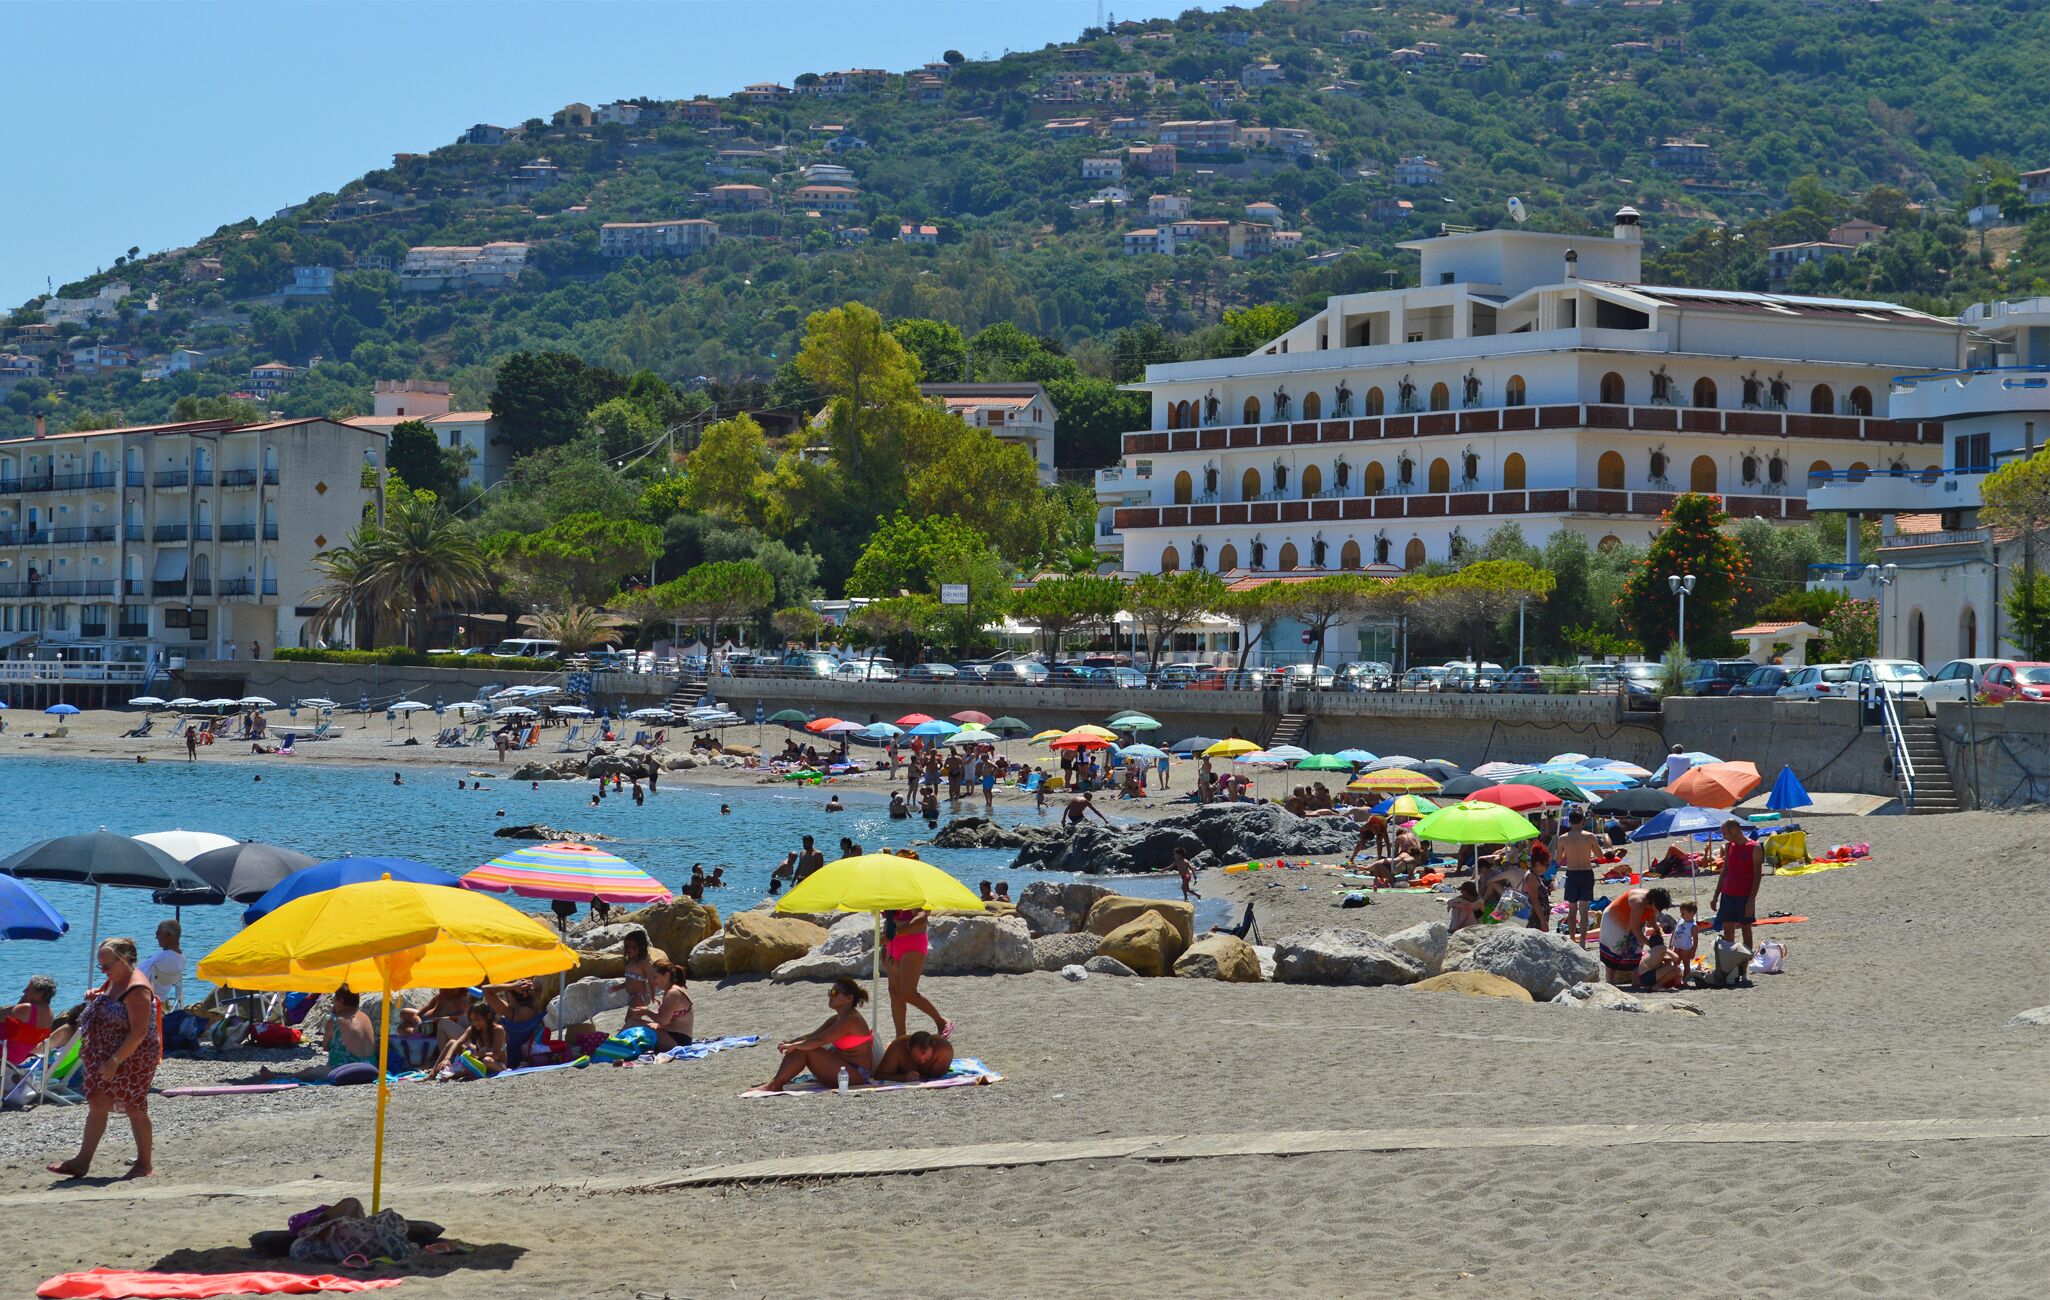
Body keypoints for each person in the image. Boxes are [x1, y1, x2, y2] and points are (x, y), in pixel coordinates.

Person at [47, 938, 161, 1179]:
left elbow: (139, 1032)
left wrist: (114, 1061)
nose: (104, 970)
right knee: (98, 1101)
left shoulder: (137, 988)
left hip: (132, 1055)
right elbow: (110, 1000)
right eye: (101, 966)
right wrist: (97, 994)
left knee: (134, 1107)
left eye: (107, 965)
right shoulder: (114, 979)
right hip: (108, 1051)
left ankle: (144, 1164)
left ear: (125, 959)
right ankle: (82, 1161)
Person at [756, 978, 874, 1093]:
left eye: (834, 992)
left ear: (849, 998)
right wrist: (791, 1043)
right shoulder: (837, 1019)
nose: (830, 995)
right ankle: (775, 1083)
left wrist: (795, 1045)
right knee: (802, 1046)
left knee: (805, 1048)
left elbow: (819, 1040)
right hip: (844, 1068)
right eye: (830, 992)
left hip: (857, 1075)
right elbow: (812, 1036)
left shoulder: (851, 1020)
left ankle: (774, 1085)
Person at [261, 986, 379, 1082]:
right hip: (371, 1067)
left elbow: (325, 1047)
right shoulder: (365, 1017)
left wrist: (333, 1017)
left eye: (334, 1000)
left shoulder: (335, 1020)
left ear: (341, 1000)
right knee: (313, 1070)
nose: (333, 1003)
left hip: (346, 1069)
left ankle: (277, 1078)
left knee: (310, 1071)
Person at [884, 906, 952, 1040]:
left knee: (908, 993)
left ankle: (941, 1021)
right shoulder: (889, 893)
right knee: (895, 993)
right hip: (892, 945)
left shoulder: (911, 892)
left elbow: (921, 919)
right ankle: (901, 1038)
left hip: (912, 943)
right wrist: (884, 946)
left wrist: (895, 933)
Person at [1598, 887, 1672, 986]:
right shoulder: (1639, 902)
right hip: (1615, 917)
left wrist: (1656, 928)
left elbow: (1651, 915)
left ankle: (1636, 980)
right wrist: (1651, 944)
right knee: (1615, 948)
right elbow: (1635, 928)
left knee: (1637, 948)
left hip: (1634, 919)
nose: (1659, 910)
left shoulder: (1652, 901)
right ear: (1653, 902)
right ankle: (1610, 981)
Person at [1551, 812, 1602, 945]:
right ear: (1582, 821)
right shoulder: (1589, 836)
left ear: (1569, 822)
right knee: (1584, 909)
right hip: (1586, 872)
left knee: (1572, 909)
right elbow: (1600, 856)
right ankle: (1583, 941)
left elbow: (1558, 860)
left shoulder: (1562, 838)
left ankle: (1573, 939)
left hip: (1572, 873)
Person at [1714, 819, 1761, 951]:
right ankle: (1730, 962)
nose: (1723, 836)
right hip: (1727, 894)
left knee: (1746, 928)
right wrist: (1716, 895)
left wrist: (1751, 900)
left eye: (1725, 833)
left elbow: (1757, 876)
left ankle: (1744, 964)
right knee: (1728, 930)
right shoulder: (1729, 847)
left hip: (1744, 895)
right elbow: (1724, 871)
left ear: (1734, 830)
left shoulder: (1754, 848)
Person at [479, 979, 548, 1068]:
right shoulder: (534, 1006)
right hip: (535, 1055)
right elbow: (539, 985)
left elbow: (485, 989)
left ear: (510, 995)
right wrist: (527, 985)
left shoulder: (510, 1013)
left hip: (513, 1060)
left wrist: (512, 986)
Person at [626, 961, 694, 1049]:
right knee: (635, 1023)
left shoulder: (673, 993)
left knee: (633, 1023)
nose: (652, 981)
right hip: (677, 1037)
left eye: (655, 977)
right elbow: (668, 1016)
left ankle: (612, 1045)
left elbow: (662, 1021)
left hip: (677, 1040)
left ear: (667, 975)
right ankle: (616, 1045)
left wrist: (647, 1011)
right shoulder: (673, 990)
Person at [433, 1002, 508, 1079]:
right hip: (478, 1062)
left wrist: (476, 1054)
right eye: (472, 1020)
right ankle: (432, 1074)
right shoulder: (473, 1029)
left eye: (477, 1019)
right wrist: (446, 1059)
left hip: (497, 1065)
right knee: (451, 1042)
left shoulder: (498, 1030)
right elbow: (457, 1043)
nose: (474, 1023)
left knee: (486, 1060)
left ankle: (454, 1075)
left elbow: (496, 1055)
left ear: (488, 1016)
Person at [2, 975, 56, 1072]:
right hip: (21, 1057)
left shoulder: (25, 1008)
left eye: (28, 989)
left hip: (5, 1053)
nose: (24, 991)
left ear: (40, 994)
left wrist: (21, 1002)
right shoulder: (50, 1013)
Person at [874, 1030, 955, 1083]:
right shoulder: (898, 1048)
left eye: (927, 1059)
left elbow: (938, 1074)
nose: (922, 1062)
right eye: (916, 1059)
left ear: (933, 1048)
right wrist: (902, 1077)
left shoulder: (943, 1050)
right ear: (908, 1048)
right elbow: (878, 1075)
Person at [140, 920, 183, 1006]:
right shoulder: (181, 959)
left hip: (143, 999)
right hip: (161, 1000)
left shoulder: (161, 959)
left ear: (168, 935)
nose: (156, 937)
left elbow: (138, 976)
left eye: (158, 933)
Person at [617, 932, 655, 1014]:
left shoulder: (644, 961)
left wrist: (653, 995)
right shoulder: (631, 961)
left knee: (631, 1021)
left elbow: (651, 979)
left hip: (640, 996)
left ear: (641, 946)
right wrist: (617, 987)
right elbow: (629, 980)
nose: (629, 949)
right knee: (631, 1020)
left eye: (633, 947)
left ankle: (655, 1026)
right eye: (627, 947)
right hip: (632, 997)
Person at [1672, 900, 1701, 970]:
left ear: (1692, 913)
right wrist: (1671, 944)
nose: (1681, 915)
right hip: (1676, 946)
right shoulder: (1680, 920)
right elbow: (1674, 932)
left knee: (1686, 964)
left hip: (1686, 948)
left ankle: (1686, 978)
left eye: (1683, 913)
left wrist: (1693, 951)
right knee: (1675, 963)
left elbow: (1695, 940)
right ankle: (1677, 977)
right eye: (1681, 913)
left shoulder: (1693, 926)